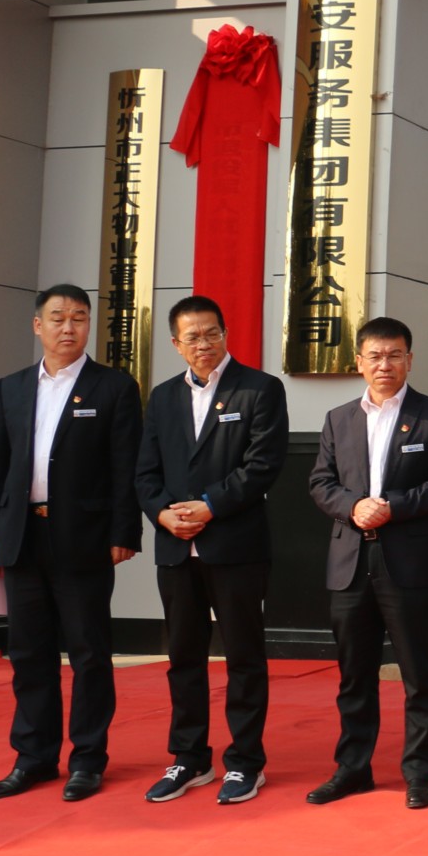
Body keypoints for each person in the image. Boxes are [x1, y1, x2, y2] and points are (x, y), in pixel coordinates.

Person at [0, 284, 145, 803]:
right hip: (22, 537)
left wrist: (124, 532)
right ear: (38, 326)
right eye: (57, 318)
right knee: (30, 653)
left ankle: (87, 760)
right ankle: (33, 758)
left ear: (89, 325)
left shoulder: (113, 387)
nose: (68, 327)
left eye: (78, 318)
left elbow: (126, 466)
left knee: (90, 654)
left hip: (84, 539)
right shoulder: (11, 387)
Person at [135, 295, 289, 806]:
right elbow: (145, 471)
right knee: (183, 656)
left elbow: (263, 465)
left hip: (236, 546)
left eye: (212, 333)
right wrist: (162, 514)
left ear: (225, 334)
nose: (204, 344)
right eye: (193, 337)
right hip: (175, 547)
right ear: (176, 344)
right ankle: (190, 758)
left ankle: (245, 762)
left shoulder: (260, 389)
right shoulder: (162, 398)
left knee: (243, 656)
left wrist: (209, 506)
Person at [304, 316, 428, 810]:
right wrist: (353, 506)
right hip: (350, 561)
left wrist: (392, 505)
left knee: (420, 673)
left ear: (409, 360)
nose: (384, 364)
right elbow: (321, 483)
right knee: (355, 675)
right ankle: (353, 769)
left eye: (394, 355)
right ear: (359, 362)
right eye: (374, 356)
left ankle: (421, 773)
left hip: (409, 562)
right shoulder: (338, 419)